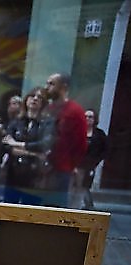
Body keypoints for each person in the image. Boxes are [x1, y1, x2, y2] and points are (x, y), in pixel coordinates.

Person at [41, 73, 88, 207]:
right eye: (47, 83)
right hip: (40, 168)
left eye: (51, 84)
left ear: (63, 87)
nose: (47, 87)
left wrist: (69, 164)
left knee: (55, 209)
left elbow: (81, 143)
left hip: (61, 170)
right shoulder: (47, 110)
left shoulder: (75, 111)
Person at [0, 88, 47, 204]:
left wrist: (17, 144)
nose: (35, 99)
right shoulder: (16, 122)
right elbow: (7, 145)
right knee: (9, 205)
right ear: (26, 100)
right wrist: (33, 153)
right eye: (32, 96)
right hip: (13, 172)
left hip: (34, 173)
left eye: (39, 97)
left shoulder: (45, 124)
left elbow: (43, 145)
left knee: (31, 206)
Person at [75, 108, 108, 209]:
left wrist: (97, 161)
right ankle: (74, 206)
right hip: (76, 165)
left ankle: (89, 206)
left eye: (90, 117)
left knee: (85, 185)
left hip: (90, 165)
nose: (87, 119)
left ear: (95, 119)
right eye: (85, 117)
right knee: (75, 186)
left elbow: (105, 150)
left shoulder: (99, 134)